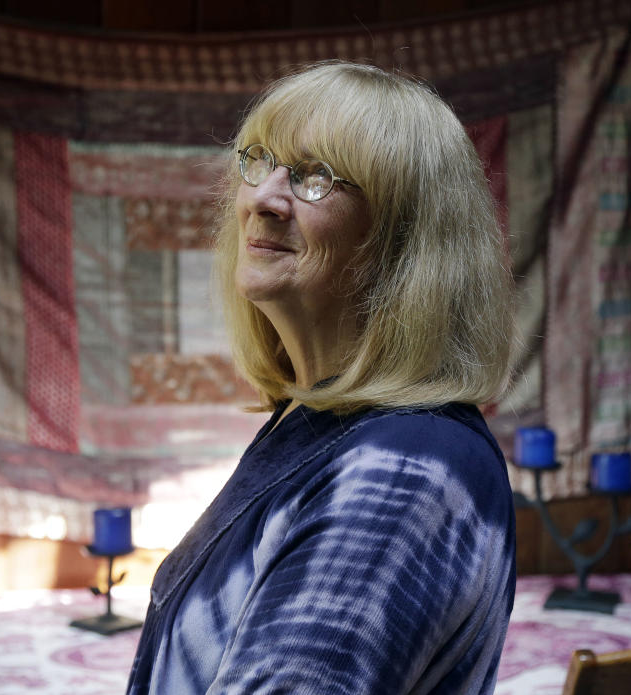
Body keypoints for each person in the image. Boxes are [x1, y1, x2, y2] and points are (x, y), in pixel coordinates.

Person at [126, 61, 517, 695]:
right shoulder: (317, 419)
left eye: (315, 176)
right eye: (259, 161)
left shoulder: (403, 469)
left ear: (403, 242)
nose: (263, 197)